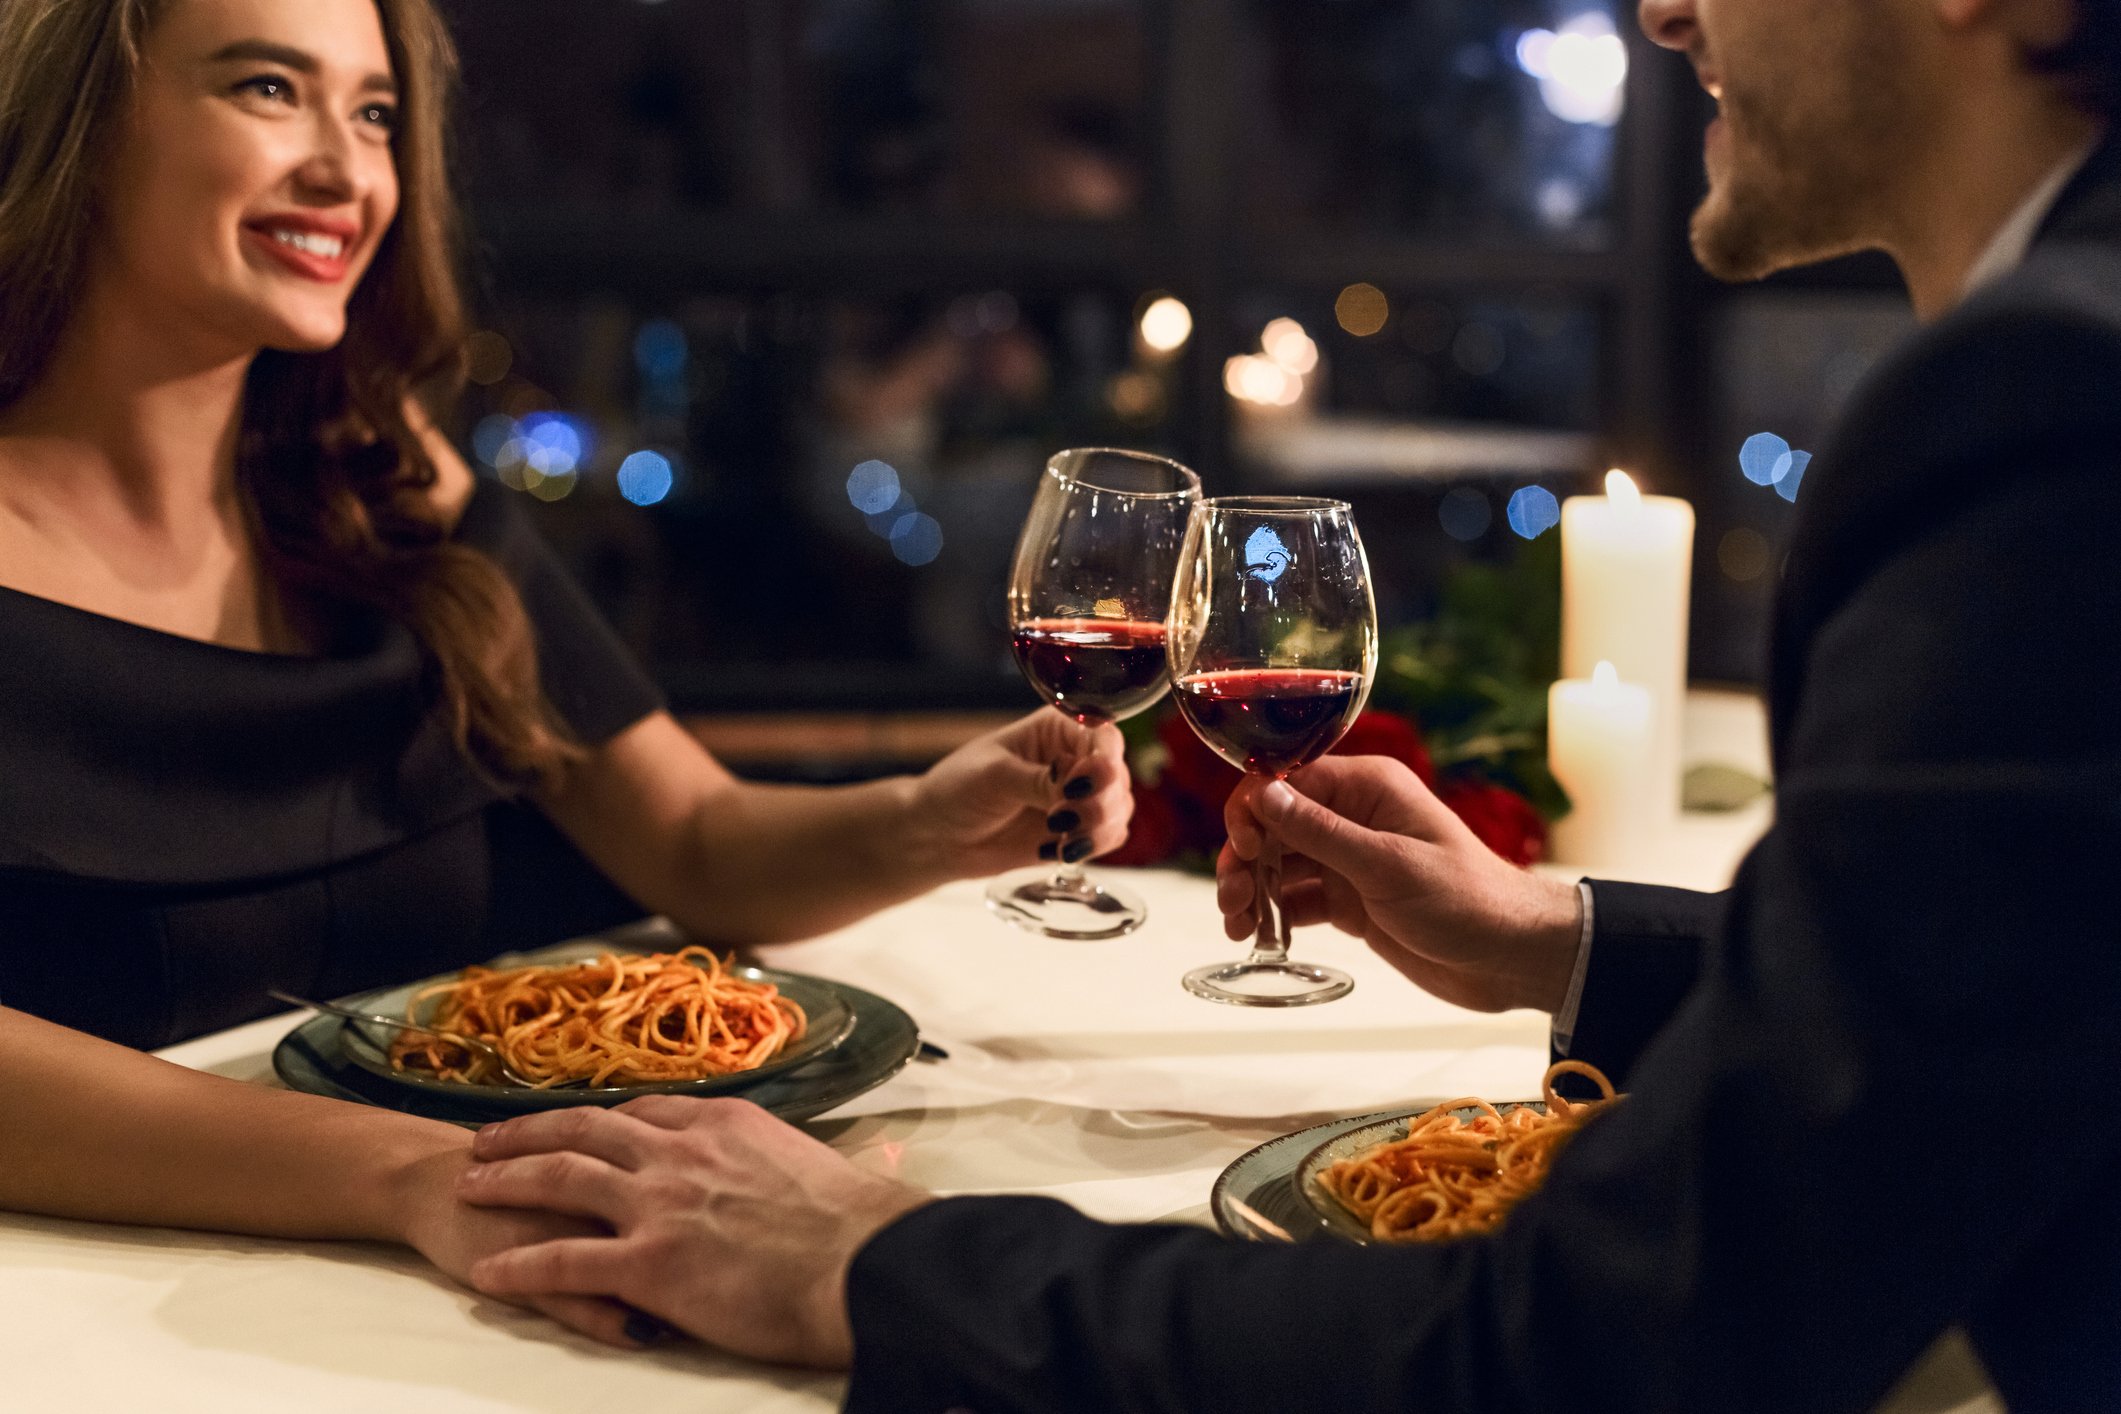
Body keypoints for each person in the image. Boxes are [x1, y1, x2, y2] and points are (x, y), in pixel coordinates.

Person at [451, 0, 2121, 1406]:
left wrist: (876, 1262)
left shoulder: (2041, 403)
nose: (1662, 7)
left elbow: (1601, 1342)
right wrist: (1561, 943)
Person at [0, 0, 1131, 1351]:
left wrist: (925, 819)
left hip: (478, 1297)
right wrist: (416, 1179)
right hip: (125, 1332)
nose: (348, 170)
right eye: (264, 88)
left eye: (372, 113)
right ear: (76, 119)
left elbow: (699, 842)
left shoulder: (389, 475)